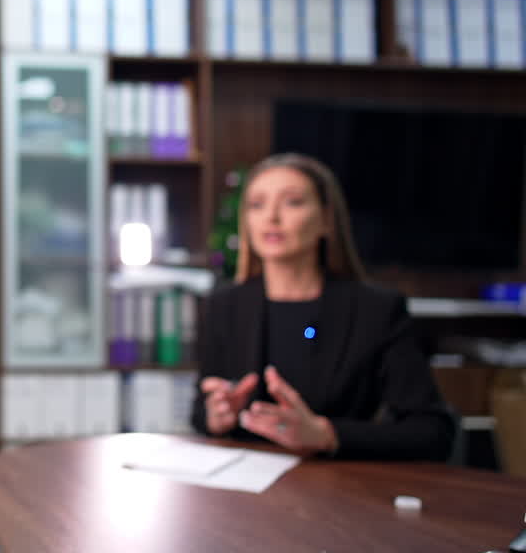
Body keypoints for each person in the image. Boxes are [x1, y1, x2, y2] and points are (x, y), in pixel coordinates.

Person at [190, 153, 455, 460]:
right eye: (257, 204)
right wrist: (217, 414)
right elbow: (200, 409)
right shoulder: (226, 305)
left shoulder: (376, 311)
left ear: (327, 220)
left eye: (292, 202)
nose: (271, 217)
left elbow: (434, 431)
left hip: (335, 487)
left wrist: (326, 434)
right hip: (243, 484)